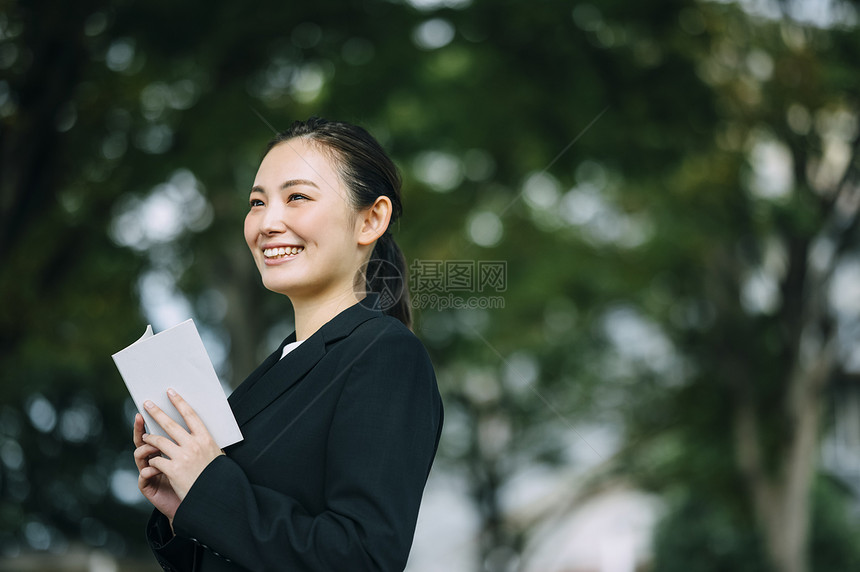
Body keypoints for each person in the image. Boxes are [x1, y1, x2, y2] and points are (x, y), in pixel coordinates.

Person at [131, 117, 444, 571]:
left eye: (297, 197)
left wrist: (209, 487)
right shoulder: (277, 368)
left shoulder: (385, 354)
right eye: (257, 202)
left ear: (371, 219)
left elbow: (364, 558)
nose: (268, 222)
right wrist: (185, 509)